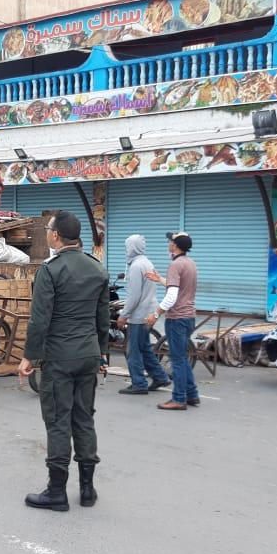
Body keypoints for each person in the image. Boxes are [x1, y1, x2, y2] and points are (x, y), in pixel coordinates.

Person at [18, 211, 109, 511]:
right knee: (84, 419)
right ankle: (87, 490)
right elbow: (102, 318)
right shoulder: (97, 269)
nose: (47, 233)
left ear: (56, 235)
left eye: (48, 229)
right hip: (88, 356)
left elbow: (39, 320)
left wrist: (29, 356)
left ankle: (56, 491)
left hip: (60, 357)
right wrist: (103, 354)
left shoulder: (51, 270)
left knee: (58, 421)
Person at [145, 232, 200, 410]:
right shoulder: (190, 263)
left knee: (177, 360)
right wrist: (160, 279)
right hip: (189, 316)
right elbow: (178, 287)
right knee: (182, 358)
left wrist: (156, 313)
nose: (168, 243)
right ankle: (192, 394)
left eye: (170, 241)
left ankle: (179, 399)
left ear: (175, 246)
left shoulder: (176, 265)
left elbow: (172, 295)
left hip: (177, 318)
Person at [115, 234, 171, 395]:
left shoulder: (135, 266)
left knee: (133, 351)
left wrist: (124, 315)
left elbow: (134, 296)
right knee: (145, 348)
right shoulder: (147, 262)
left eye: (127, 247)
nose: (126, 250)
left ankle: (138, 383)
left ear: (132, 248)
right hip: (149, 311)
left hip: (139, 315)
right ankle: (160, 377)